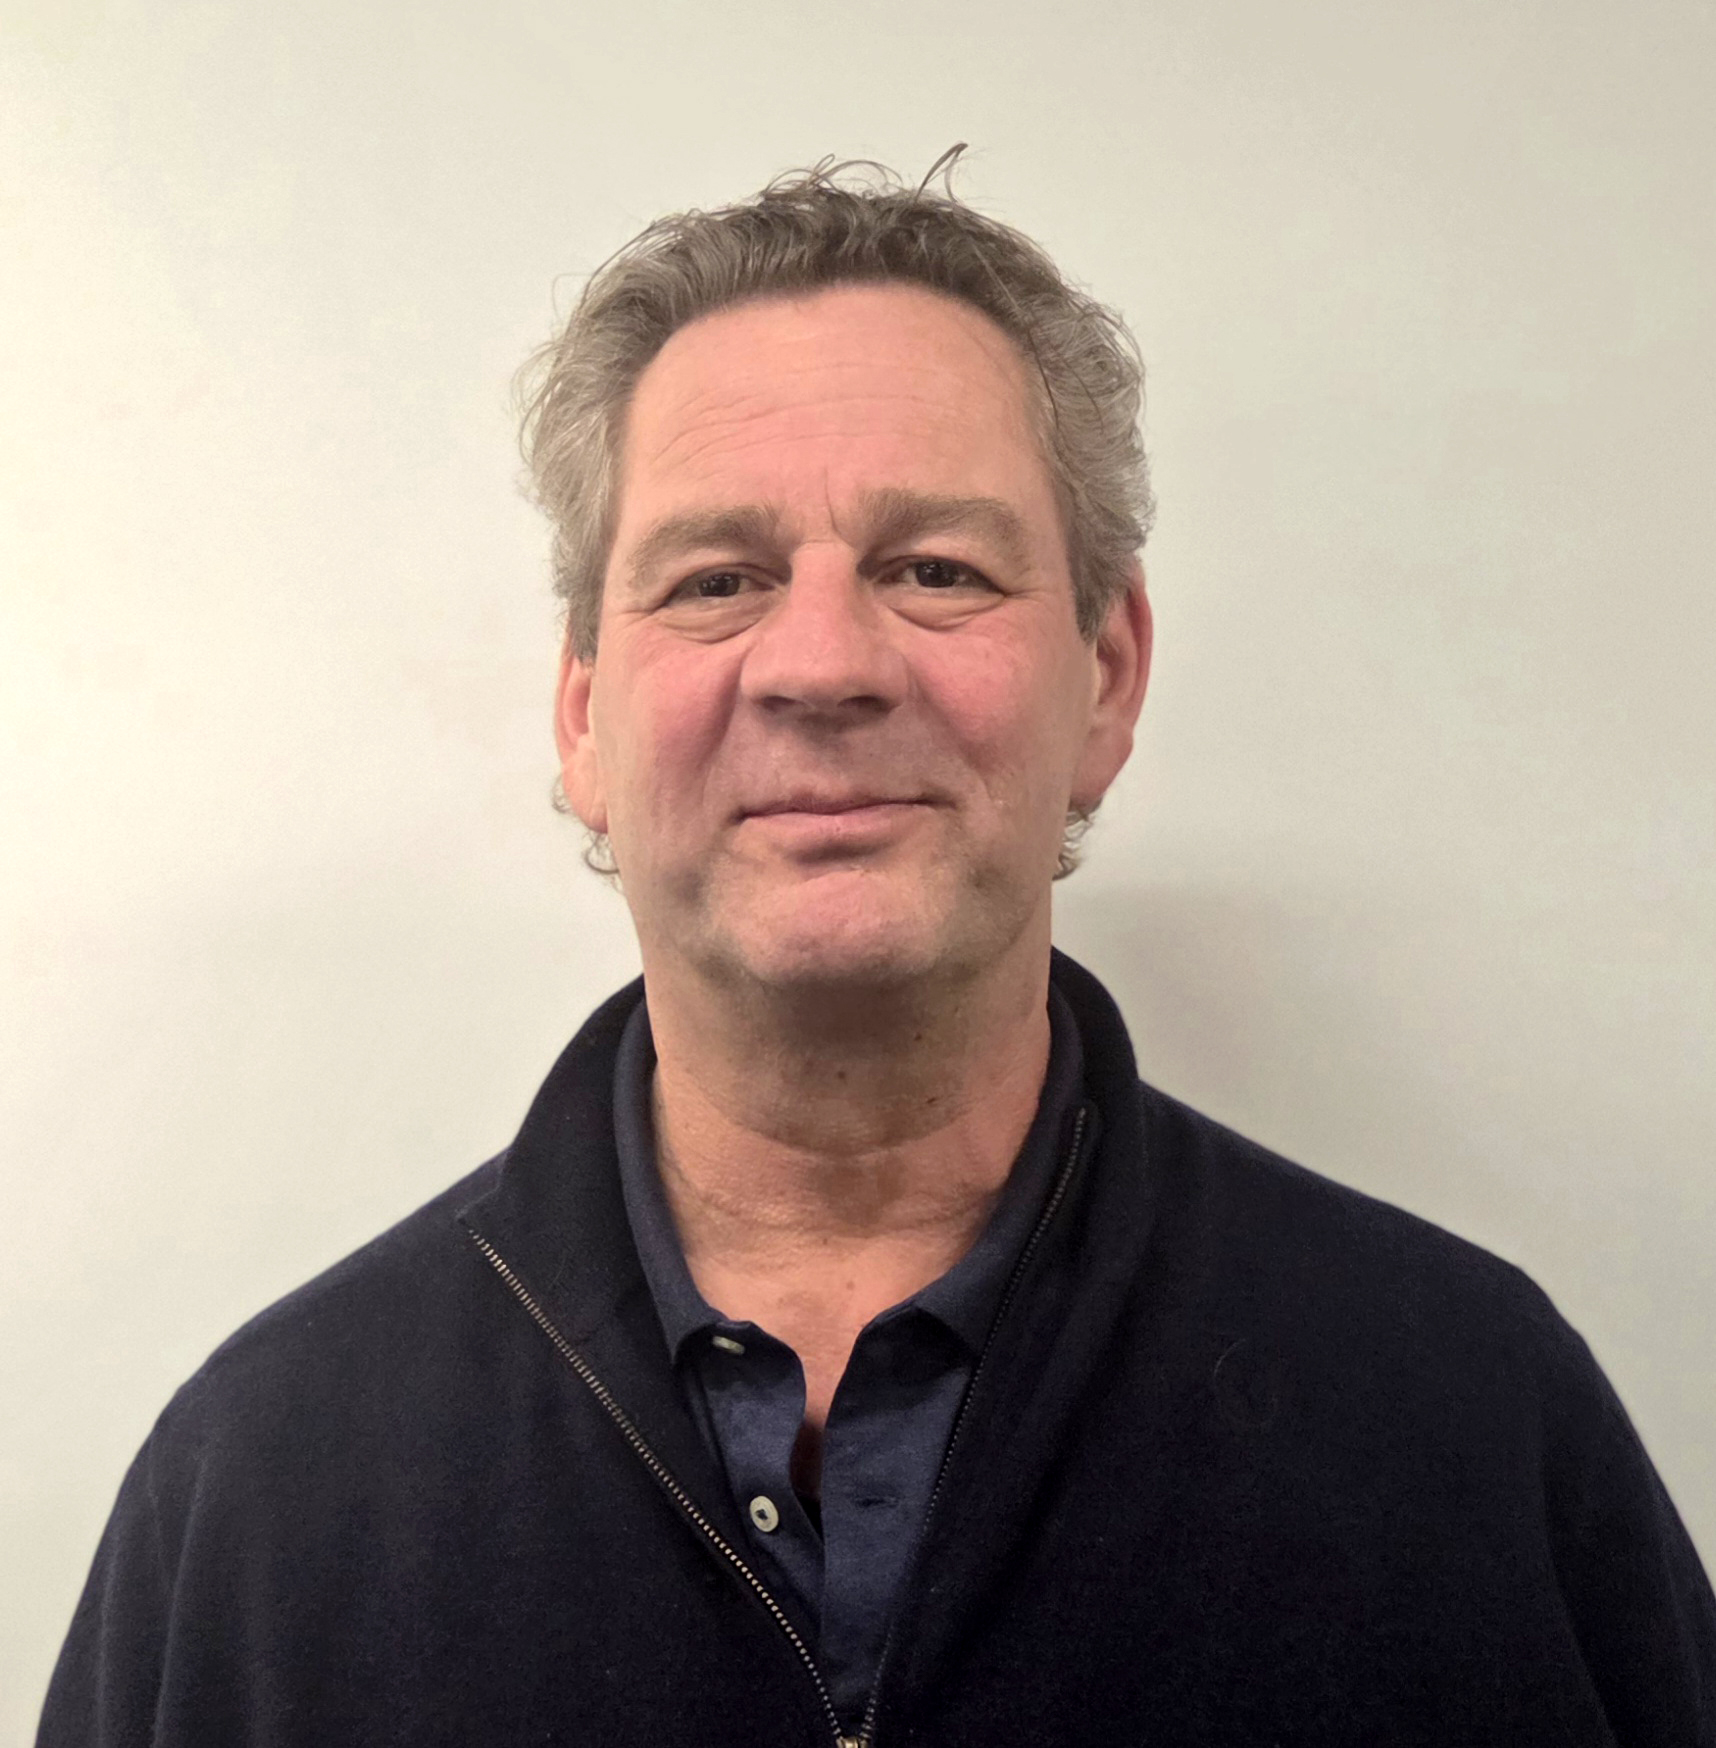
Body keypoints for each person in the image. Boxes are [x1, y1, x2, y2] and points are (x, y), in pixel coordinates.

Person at [38, 156, 1716, 1748]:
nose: (823, 663)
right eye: (717, 581)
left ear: (1107, 677)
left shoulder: (1472, 1422)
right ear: (584, 717)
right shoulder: (259, 1490)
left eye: (934, 568)